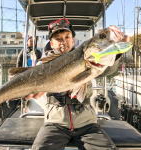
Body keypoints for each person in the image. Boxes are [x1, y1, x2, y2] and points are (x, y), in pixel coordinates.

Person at [26, 18, 127, 150]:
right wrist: (26, 92)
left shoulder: (89, 57)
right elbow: (28, 88)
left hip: (88, 125)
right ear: (51, 43)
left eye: (67, 37)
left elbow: (110, 68)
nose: (64, 41)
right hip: (55, 124)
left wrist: (117, 51)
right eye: (58, 38)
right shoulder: (42, 65)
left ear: (73, 39)